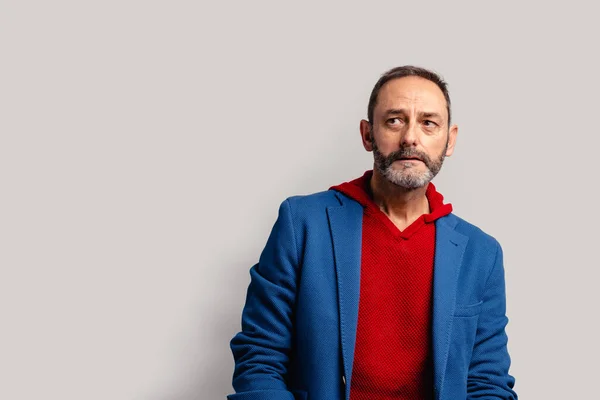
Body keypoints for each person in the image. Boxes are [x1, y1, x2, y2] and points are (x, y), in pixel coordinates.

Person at [227, 66, 517, 400]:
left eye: (428, 123)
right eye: (394, 120)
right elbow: (260, 358)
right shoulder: (303, 223)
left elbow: (487, 383)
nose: (410, 137)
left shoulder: (481, 253)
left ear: (449, 140)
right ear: (368, 134)